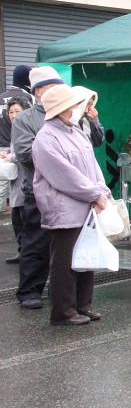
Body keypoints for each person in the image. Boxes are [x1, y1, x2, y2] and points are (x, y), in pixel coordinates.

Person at [31, 85, 110, 325]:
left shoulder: (76, 131)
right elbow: (65, 176)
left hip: (85, 205)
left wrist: (101, 190)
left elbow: (92, 165)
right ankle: (64, 311)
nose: (76, 109)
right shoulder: (46, 138)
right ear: (60, 109)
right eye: (71, 105)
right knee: (65, 262)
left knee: (85, 258)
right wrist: (95, 193)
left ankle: (83, 305)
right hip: (64, 208)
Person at [12, 66, 66, 309]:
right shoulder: (25, 118)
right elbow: (24, 153)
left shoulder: (67, 115)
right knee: (36, 241)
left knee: (64, 244)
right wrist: (54, 150)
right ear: (39, 91)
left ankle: (60, 291)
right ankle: (29, 291)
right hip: (38, 190)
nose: (57, 92)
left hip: (67, 190)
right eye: (52, 87)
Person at [0, 65, 34, 211]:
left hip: (3, 148)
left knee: (2, 184)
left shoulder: (1, 97)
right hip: (21, 147)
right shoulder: (27, 98)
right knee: (20, 183)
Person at [1, 97, 30, 264]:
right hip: (16, 180)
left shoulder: (25, 128)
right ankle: (22, 252)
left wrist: (11, 156)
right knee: (17, 218)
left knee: (23, 218)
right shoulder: (15, 129)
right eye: (11, 112)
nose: (13, 115)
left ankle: (27, 253)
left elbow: (25, 151)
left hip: (25, 180)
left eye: (17, 111)